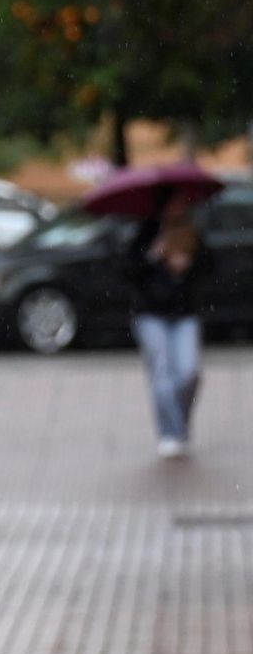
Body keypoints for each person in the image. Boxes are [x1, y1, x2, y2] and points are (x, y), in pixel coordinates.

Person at [125, 187, 213, 458]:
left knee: (188, 373)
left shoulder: (192, 234)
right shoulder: (146, 233)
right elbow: (127, 271)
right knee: (162, 375)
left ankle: (180, 424)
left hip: (184, 314)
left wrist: (188, 264)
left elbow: (213, 269)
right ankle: (170, 433)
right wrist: (154, 256)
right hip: (151, 314)